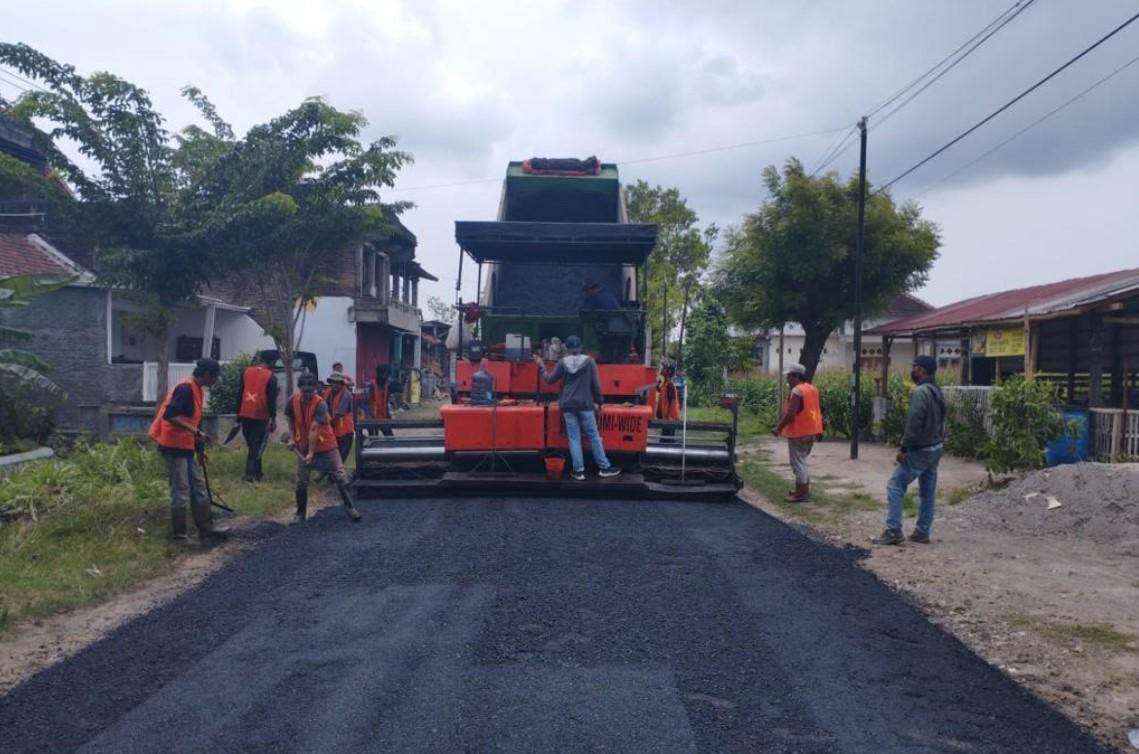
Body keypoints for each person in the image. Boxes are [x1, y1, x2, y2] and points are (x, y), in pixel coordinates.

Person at [149, 358, 228, 542]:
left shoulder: (197, 390)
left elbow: (193, 420)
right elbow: (170, 415)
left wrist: (200, 449)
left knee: (198, 487)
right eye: (215, 377)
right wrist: (196, 431)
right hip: (173, 445)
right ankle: (180, 536)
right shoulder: (185, 389)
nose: (216, 381)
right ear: (207, 375)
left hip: (186, 445)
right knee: (181, 489)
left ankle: (206, 528)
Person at [873, 355, 947, 546]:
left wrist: (904, 448)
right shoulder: (936, 390)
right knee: (928, 491)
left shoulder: (920, 392)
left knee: (895, 485)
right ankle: (922, 532)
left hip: (920, 449)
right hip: (936, 447)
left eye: (914, 367)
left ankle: (893, 530)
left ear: (921, 369)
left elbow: (914, 422)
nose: (912, 370)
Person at [534, 335, 621, 481]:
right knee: (593, 436)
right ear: (580, 347)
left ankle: (578, 471)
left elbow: (549, 380)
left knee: (574, 438)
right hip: (585, 405)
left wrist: (541, 366)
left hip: (568, 405)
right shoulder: (589, 362)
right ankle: (604, 467)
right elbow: (596, 385)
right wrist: (600, 401)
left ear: (567, 349)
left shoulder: (562, 362)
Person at [286, 371, 362, 523]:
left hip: (326, 445)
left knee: (340, 475)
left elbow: (314, 428)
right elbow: (291, 418)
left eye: (310, 391)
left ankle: (351, 508)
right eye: (304, 391)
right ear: (299, 388)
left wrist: (311, 453)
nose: (307, 394)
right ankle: (300, 513)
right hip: (303, 446)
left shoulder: (320, 403)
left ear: (315, 389)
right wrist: (292, 438)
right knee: (301, 480)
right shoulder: (292, 400)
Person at [771, 364, 823, 502]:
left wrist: (778, 428)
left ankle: (802, 494)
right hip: (812, 430)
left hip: (799, 432)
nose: (787, 378)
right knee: (802, 461)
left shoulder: (797, 391)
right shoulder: (812, 389)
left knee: (798, 463)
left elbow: (791, 413)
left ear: (796, 376)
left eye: (789, 376)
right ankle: (801, 490)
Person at [235, 350, 278, 482]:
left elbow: (240, 394)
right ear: (272, 362)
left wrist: (238, 416)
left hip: (245, 413)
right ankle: (249, 475)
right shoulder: (271, 377)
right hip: (260, 415)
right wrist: (273, 419)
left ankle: (258, 473)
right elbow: (271, 401)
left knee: (253, 444)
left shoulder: (246, 371)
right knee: (256, 446)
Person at [582, 279, 628, 363]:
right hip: (622, 326)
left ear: (591, 290)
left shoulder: (594, 297)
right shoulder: (609, 294)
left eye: (587, 291)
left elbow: (585, 311)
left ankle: (592, 352)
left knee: (589, 325)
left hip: (608, 326)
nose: (586, 293)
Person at [323, 373, 355, 463]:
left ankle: (332, 475)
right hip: (332, 431)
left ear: (341, 384)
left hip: (345, 433)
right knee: (329, 457)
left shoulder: (346, 395)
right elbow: (323, 407)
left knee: (340, 460)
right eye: (332, 382)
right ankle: (326, 474)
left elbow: (339, 413)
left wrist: (324, 421)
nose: (334, 384)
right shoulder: (327, 393)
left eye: (337, 382)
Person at [656, 361, 681, 443]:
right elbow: (660, 392)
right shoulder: (665, 384)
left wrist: (669, 417)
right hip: (666, 417)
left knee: (667, 441)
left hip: (670, 418)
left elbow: (672, 402)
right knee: (664, 440)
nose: (662, 369)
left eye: (664, 368)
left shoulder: (670, 385)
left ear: (669, 372)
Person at [367, 364, 394, 437]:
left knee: (390, 438)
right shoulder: (371, 386)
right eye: (383, 373)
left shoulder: (388, 385)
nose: (385, 376)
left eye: (387, 374)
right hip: (372, 419)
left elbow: (386, 402)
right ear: (378, 374)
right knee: (374, 440)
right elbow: (366, 403)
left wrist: (388, 415)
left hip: (383, 418)